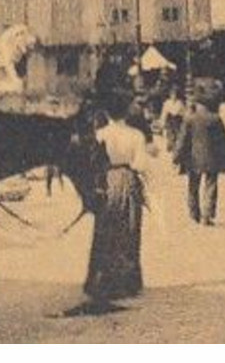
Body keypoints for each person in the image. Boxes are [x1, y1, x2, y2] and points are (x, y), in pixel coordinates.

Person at [78, 106, 149, 310]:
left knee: (105, 231)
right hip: (128, 180)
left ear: (107, 113)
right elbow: (141, 164)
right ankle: (127, 283)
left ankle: (101, 281)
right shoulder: (136, 135)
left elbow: (90, 162)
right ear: (126, 113)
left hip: (106, 181)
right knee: (129, 230)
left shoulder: (100, 134)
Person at [172, 90, 225, 225]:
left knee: (193, 186)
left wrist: (176, 157)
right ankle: (207, 215)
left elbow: (182, 139)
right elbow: (223, 141)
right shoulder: (215, 119)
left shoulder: (190, 118)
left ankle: (194, 213)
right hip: (212, 158)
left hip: (193, 158)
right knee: (211, 185)